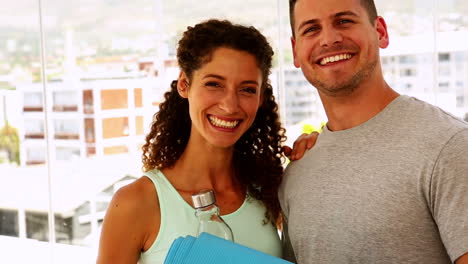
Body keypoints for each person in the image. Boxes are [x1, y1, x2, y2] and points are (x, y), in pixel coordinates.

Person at [96, 19, 315, 264]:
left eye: (247, 89)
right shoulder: (135, 203)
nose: (230, 105)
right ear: (184, 85)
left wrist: (318, 152)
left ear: (261, 98)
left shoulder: (269, 192)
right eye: (214, 84)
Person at [279, 0, 468, 263]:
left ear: (380, 31)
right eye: (311, 29)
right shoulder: (298, 170)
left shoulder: (450, 146)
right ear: (296, 51)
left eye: (344, 21)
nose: (329, 39)